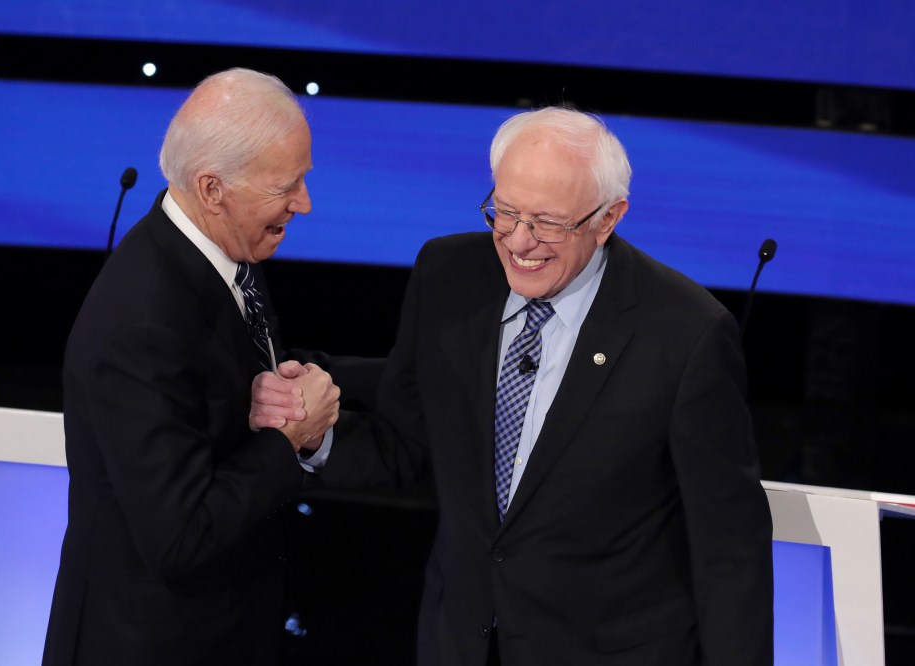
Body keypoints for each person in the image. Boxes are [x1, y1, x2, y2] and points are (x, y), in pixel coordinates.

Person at [255, 107, 774, 665]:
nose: (519, 242)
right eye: (504, 212)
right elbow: (407, 443)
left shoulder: (686, 333)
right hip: (461, 643)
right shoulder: (448, 274)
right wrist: (314, 434)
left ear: (608, 218)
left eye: (548, 222)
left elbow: (730, 547)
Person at [42, 68, 342, 666]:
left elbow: (245, 379)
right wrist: (289, 440)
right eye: (287, 185)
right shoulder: (142, 324)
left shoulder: (221, 251)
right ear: (212, 190)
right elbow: (179, 538)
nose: (304, 203)